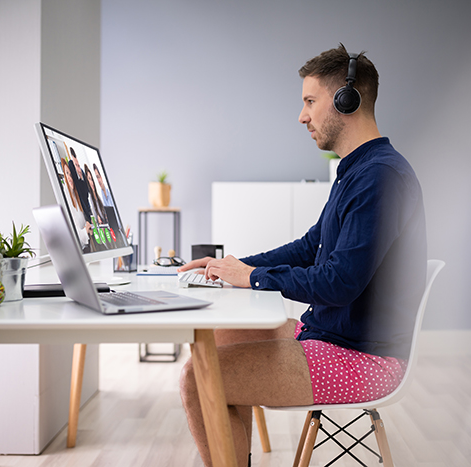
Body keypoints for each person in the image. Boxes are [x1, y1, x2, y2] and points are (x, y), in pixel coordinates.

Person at [177, 44, 427, 467]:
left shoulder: (381, 177)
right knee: (212, 346)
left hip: (364, 358)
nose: (302, 116)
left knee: (198, 380)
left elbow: (339, 281)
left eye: (310, 101)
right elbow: (311, 247)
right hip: (332, 337)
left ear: (346, 100)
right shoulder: (357, 169)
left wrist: (252, 279)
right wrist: (235, 267)